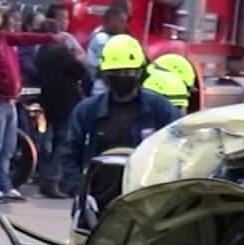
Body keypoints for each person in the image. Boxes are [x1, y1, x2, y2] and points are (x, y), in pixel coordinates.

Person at [63, 34, 181, 217]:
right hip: (96, 206)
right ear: (105, 74)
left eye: (128, 71)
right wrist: (79, 191)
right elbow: (69, 154)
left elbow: (179, 152)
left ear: (140, 72)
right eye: (116, 72)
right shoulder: (87, 112)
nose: (122, 77)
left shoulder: (161, 110)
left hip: (147, 208)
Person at [0, 12, 61, 202]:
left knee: (7, 147)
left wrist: (51, 37)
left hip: (11, 100)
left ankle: (4, 184)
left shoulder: (2, 39)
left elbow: (24, 38)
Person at [33, 5, 91, 199]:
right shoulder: (61, 51)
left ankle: (47, 176)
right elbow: (81, 71)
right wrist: (76, 58)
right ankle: (53, 180)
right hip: (67, 100)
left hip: (50, 100)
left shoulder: (41, 53)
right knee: (63, 143)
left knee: (54, 140)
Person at [86, 0, 133, 94]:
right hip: (102, 89)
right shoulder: (102, 39)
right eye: (122, 21)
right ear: (113, 18)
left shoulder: (116, 36)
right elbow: (106, 69)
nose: (125, 24)